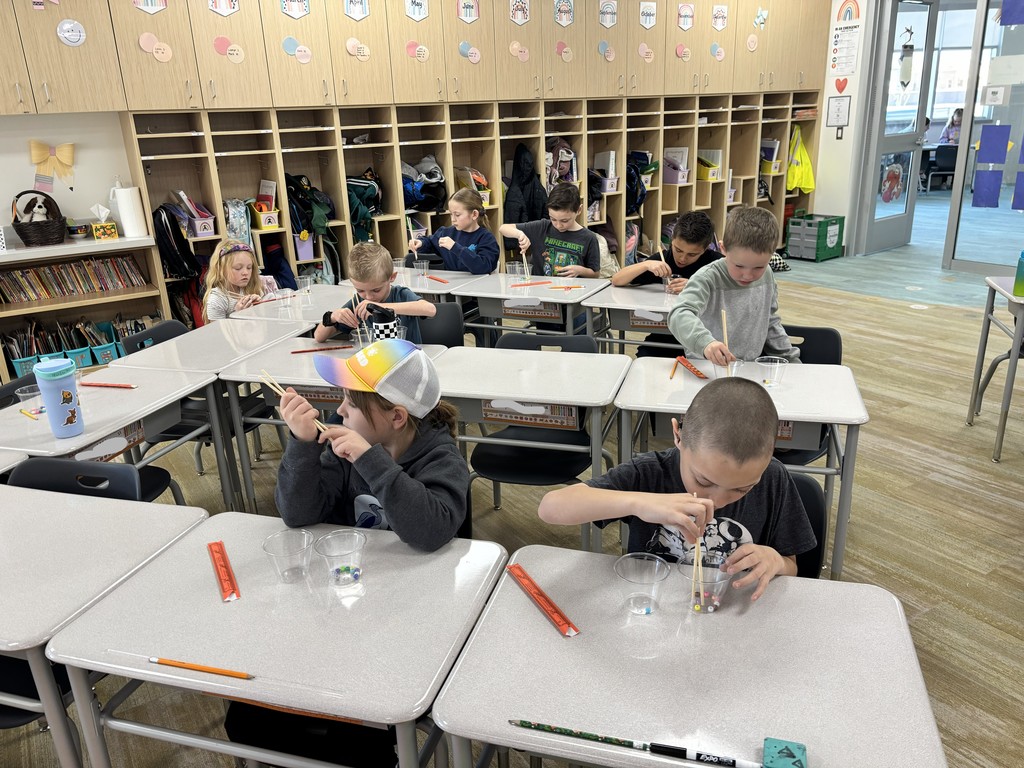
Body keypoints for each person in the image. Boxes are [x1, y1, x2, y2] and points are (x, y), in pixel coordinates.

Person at [538, 377, 816, 602]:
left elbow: (791, 564)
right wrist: (639, 503)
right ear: (678, 435)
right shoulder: (649, 474)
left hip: (732, 618)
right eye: (704, 481)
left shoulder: (773, 478)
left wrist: (775, 561)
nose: (716, 501)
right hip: (655, 607)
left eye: (742, 489)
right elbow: (550, 508)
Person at [275, 338, 468, 551]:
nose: (340, 411)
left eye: (353, 404)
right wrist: (303, 443)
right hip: (352, 568)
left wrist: (370, 460)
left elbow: (432, 533)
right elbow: (297, 515)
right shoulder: (343, 447)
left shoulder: (443, 460)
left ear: (397, 417)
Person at [668, 206, 799, 365]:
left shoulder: (767, 275)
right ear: (723, 249)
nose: (748, 275)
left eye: (758, 267)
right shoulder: (707, 278)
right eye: (739, 266)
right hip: (708, 367)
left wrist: (791, 360)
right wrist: (706, 343)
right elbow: (679, 314)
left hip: (749, 368)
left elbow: (770, 322)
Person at [611, 212, 722, 358]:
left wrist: (698, 286)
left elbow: (734, 298)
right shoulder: (664, 259)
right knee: (645, 358)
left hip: (704, 339)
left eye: (692, 254)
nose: (682, 258)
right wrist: (646, 265)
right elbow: (617, 280)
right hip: (665, 333)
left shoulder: (716, 265)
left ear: (706, 247)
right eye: (678, 250)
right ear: (672, 240)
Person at [314, 241, 435, 345]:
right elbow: (318, 337)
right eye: (360, 290)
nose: (369, 297)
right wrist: (332, 317)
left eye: (376, 290)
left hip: (407, 361)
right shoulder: (358, 302)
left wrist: (381, 307)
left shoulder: (400, 295)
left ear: (392, 277)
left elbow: (430, 309)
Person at [498, 182, 600, 278]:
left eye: (564, 220)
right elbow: (503, 228)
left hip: (572, 292)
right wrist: (519, 234)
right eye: (553, 219)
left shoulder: (589, 238)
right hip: (540, 291)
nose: (558, 225)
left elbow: (595, 273)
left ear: (579, 210)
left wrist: (580, 270)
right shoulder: (542, 227)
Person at [408, 188, 499, 274]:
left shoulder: (486, 238)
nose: (452, 219)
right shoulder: (446, 233)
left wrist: (455, 247)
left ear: (474, 214)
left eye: (457, 215)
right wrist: (421, 243)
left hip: (477, 287)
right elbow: (430, 242)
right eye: (451, 214)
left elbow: (484, 267)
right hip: (450, 286)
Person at [201, 238, 262, 322]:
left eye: (249, 267)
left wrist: (260, 308)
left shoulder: (253, 288)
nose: (245, 272)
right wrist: (237, 315)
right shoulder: (217, 300)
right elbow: (218, 333)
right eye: (238, 268)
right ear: (221, 269)